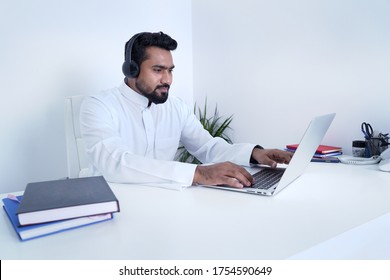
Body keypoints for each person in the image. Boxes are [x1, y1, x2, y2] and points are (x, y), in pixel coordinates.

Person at [79, 31, 292, 189]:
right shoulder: (99, 106)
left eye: (170, 71)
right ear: (131, 69)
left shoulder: (176, 107)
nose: (167, 79)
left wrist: (255, 153)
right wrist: (198, 173)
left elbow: (207, 146)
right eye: (157, 70)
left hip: (166, 204)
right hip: (114, 206)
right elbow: (115, 163)